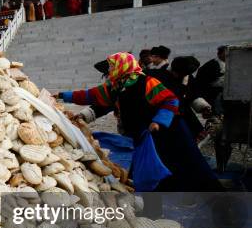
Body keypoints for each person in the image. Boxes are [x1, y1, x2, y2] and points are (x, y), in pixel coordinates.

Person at [58, 52, 221, 192]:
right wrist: (61, 95)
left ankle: (221, 204)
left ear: (123, 66)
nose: (109, 70)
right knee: (151, 173)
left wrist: (158, 121)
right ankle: (154, 209)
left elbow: (170, 101)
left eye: (111, 66)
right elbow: (89, 95)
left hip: (171, 133)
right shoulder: (115, 86)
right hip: (147, 136)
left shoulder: (147, 82)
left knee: (191, 167)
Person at [196, 45, 230, 171]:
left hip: (225, 101)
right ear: (220, 54)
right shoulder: (212, 66)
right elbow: (202, 84)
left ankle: (222, 165)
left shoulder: (229, 64)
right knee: (215, 133)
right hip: (214, 99)